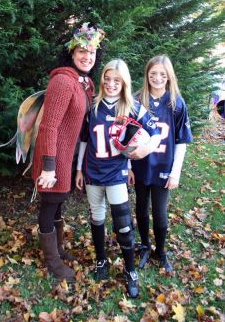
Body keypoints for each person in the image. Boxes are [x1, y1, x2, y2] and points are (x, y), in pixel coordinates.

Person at [75, 59, 161, 298]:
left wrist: (145, 150)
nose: (111, 84)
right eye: (107, 78)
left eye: (117, 80)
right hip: (93, 171)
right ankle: (102, 260)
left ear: (124, 82)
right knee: (97, 217)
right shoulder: (92, 106)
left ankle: (130, 269)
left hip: (116, 173)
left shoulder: (133, 106)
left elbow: (156, 134)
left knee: (123, 222)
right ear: (102, 79)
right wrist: (79, 170)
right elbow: (84, 139)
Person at [32, 22, 105, 282]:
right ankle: (52, 260)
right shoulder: (63, 81)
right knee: (50, 203)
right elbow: (49, 126)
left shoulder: (84, 83)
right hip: (55, 155)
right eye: (81, 51)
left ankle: (59, 249)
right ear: (71, 53)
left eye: (92, 52)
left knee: (59, 200)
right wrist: (48, 166)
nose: (87, 56)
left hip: (69, 154)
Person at [131, 55, 193, 273]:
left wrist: (175, 173)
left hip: (163, 166)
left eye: (162, 74)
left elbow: (181, 141)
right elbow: (128, 137)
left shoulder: (176, 102)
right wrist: (129, 167)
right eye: (153, 73)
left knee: (159, 212)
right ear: (147, 74)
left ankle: (161, 249)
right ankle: (146, 246)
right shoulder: (137, 100)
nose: (157, 78)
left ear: (169, 77)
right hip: (141, 165)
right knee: (140, 207)